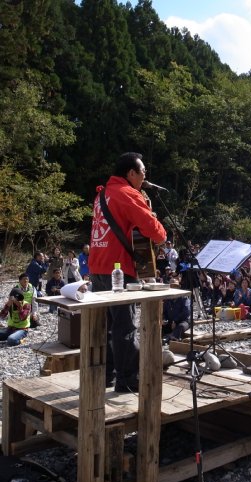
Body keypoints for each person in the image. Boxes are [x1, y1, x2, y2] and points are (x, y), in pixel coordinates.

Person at [89, 152, 167, 392]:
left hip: (97, 266)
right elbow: (154, 231)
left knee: (106, 326)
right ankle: (127, 381)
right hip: (118, 269)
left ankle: (106, 377)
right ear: (131, 173)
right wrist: (161, 230)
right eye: (143, 172)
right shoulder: (127, 194)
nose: (145, 177)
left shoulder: (103, 194)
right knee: (125, 327)